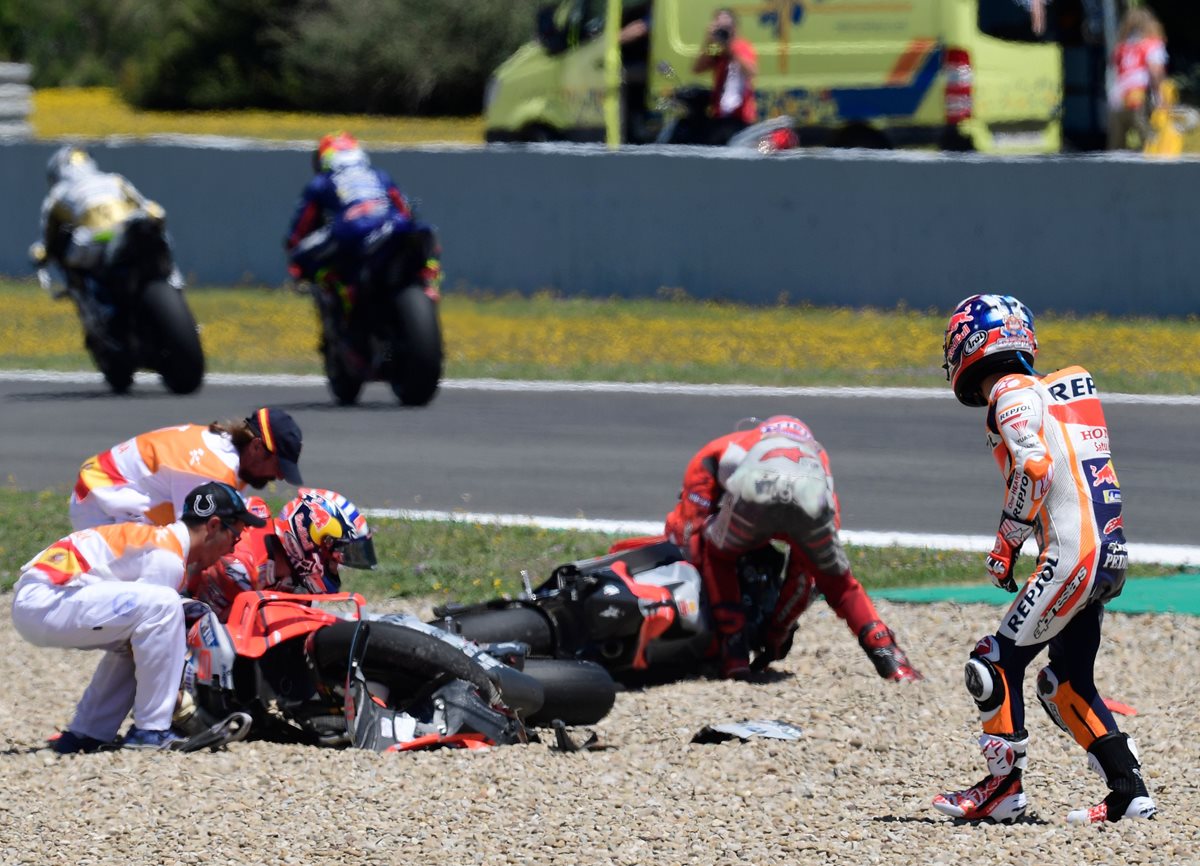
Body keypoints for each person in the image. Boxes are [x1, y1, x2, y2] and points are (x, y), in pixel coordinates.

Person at [933, 294, 1155, 825]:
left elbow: (1034, 468)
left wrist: (1005, 543)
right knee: (1066, 684)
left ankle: (1002, 790)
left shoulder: (1010, 391)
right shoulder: (1060, 391)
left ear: (968, 344)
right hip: (1109, 553)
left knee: (993, 663)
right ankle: (1129, 793)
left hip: (1071, 556)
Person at [11, 481, 267, 752]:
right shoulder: (167, 557)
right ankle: (151, 729)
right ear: (213, 526)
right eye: (234, 537)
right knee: (165, 607)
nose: (232, 550)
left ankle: (87, 733)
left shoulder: (162, 541)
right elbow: (156, 637)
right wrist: (177, 698)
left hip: (43, 600)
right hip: (46, 600)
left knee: (141, 631)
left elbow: (145, 642)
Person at [664, 415, 922, 682]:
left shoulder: (723, 448)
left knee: (716, 555)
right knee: (838, 582)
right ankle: (890, 657)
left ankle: (733, 654)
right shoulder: (818, 456)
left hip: (752, 495)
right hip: (811, 493)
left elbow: (687, 532)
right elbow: (803, 578)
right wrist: (777, 632)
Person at [69, 407, 303, 530]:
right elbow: (190, 540)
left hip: (111, 491)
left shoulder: (230, 457)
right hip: (99, 502)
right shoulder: (211, 469)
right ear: (256, 447)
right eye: (279, 465)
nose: (280, 476)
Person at [187, 487, 377, 623]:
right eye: (334, 558)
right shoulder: (240, 566)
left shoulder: (296, 582)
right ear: (310, 541)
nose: (336, 567)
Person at [285, 132, 414, 315]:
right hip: (393, 224)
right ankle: (427, 280)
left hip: (352, 228)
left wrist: (293, 247)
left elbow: (302, 226)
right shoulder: (379, 175)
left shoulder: (322, 182)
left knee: (301, 256)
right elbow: (405, 209)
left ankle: (342, 305)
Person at [30, 146, 167, 297]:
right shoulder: (115, 179)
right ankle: (174, 283)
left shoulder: (57, 195)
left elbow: (47, 238)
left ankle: (85, 295)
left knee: (73, 258)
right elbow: (150, 209)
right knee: (157, 239)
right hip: (128, 231)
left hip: (94, 239)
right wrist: (155, 218)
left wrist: (41, 254)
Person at [692, 8, 758, 145]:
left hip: (740, 117)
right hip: (720, 116)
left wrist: (730, 49)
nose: (723, 32)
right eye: (719, 27)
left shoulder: (742, 47)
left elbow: (751, 71)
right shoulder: (717, 50)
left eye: (726, 28)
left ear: (734, 28)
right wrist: (708, 42)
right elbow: (697, 68)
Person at [1108, 7, 1168, 151]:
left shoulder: (1121, 46)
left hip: (1119, 100)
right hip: (1139, 98)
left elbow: (1113, 70)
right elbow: (1155, 73)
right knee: (1150, 145)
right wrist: (1160, 97)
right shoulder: (1152, 44)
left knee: (1117, 149)